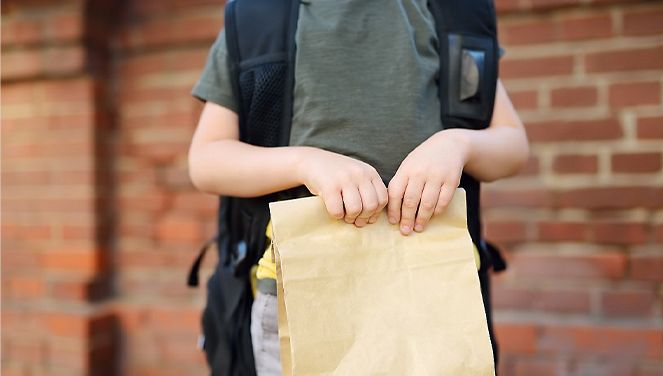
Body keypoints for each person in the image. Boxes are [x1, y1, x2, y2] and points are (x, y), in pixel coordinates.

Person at [189, 1, 529, 374]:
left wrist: (458, 145)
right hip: (300, 299)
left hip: (434, 292)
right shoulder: (259, 19)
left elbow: (512, 145)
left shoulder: (453, 15)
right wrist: (305, 162)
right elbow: (207, 161)